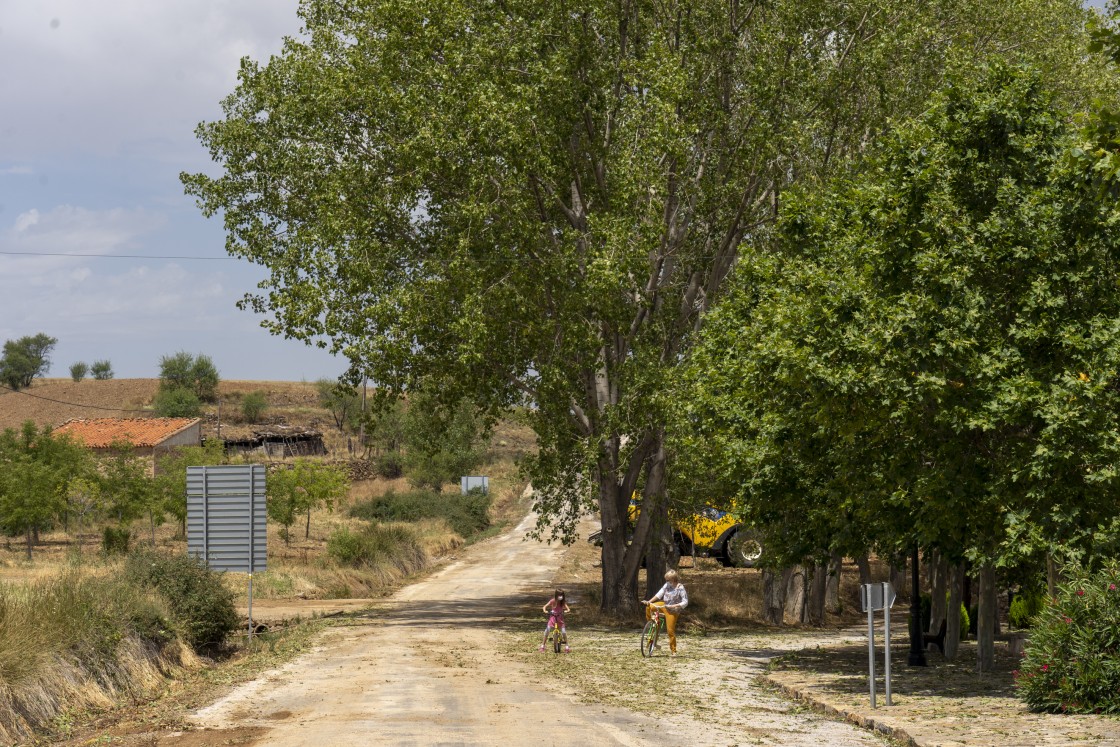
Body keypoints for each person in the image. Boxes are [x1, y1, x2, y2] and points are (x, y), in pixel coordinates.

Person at [642, 569, 688, 656]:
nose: (667, 582)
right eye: (666, 580)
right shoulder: (667, 585)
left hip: (672, 610)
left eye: (668, 580)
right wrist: (649, 601)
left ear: (673, 579)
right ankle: (651, 622)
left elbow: (685, 602)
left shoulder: (680, 588)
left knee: (670, 630)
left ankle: (673, 650)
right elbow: (659, 594)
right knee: (649, 606)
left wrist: (674, 606)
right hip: (664, 605)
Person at [540, 588, 571, 653]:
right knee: (547, 631)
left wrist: (566, 611)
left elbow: (568, 609)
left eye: (562, 595)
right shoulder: (552, 601)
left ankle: (567, 646)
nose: (560, 596)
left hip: (560, 619)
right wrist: (545, 610)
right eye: (559, 595)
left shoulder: (562, 602)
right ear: (556, 595)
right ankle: (543, 646)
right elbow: (544, 606)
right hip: (552, 619)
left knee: (564, 632)